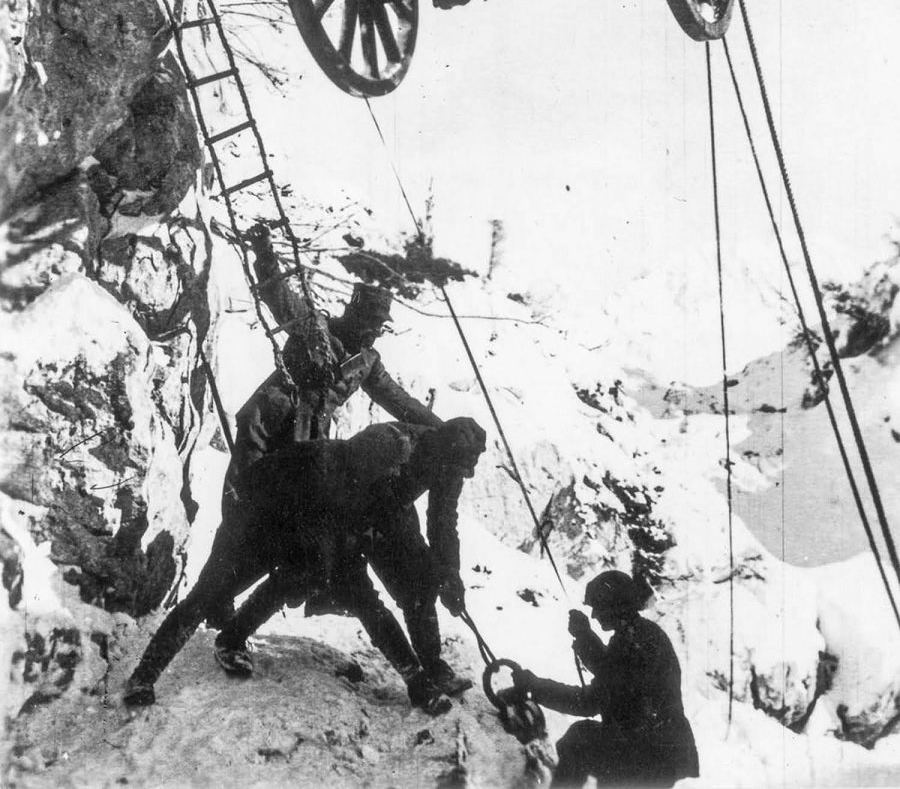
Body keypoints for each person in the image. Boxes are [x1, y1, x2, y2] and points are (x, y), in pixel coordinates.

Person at [122, 417, 486, 716]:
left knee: (326, 583)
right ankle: (144, 674)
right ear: (370, 468)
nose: (396, 477)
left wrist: (445, 574)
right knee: (208, 594)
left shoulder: (374, 484)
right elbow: (251, 490)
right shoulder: (324, 469)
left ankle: (232, 639)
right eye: (390, 472)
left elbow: (371, 590)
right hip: (255, 526)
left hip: (308, 527)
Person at [224, 272, 442, 506]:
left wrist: (443, 429)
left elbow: (397, 399)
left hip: (308, 437)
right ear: (353, 314)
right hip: (268, 422)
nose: (376, 332)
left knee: (293, 509)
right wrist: (264, 251)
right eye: (372, 322)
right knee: (243, 495)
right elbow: (280, 298)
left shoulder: (367, 360)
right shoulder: (316, 326)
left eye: (380, 325)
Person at [512, 570, 699, 789]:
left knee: (578, 740)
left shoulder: (633, 642)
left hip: (645, 755)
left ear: (615, 606)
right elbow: (612, 672)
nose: (593, 616)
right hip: (658, 754)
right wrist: (584, 637)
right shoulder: (642, 635)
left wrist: (534, 687)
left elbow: (590, 701)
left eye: (597, 608)